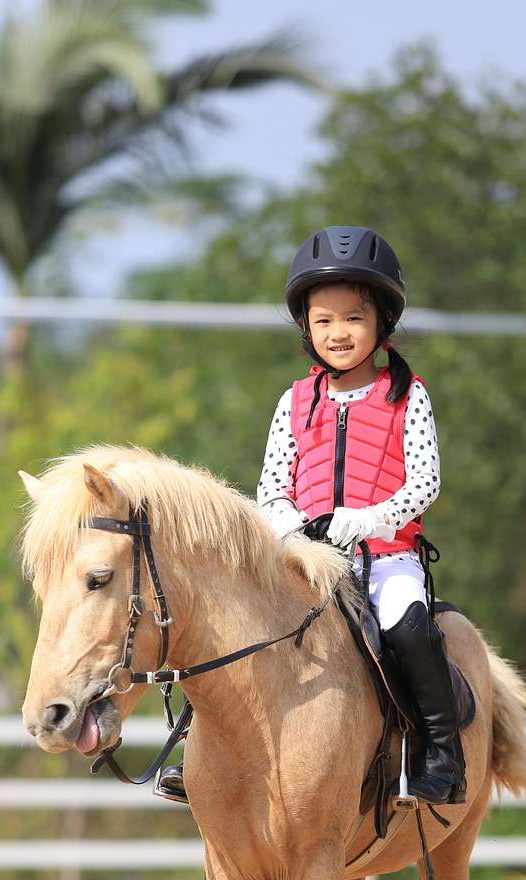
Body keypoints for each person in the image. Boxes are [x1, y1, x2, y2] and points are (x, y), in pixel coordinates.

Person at [157, 224, 466, 806]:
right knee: (233, 622)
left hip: (384, 557)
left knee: (408, 626)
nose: (338, 332)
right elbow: (272, 483)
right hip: (305, 557)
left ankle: (442, 756)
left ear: (382, 322)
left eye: (353, 317)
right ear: (307, 328)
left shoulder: (408, 395)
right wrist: (286, 526)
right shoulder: (294, 401)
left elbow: (425, 480)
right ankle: (196, 752)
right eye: (323, 321)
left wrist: (369, 519)